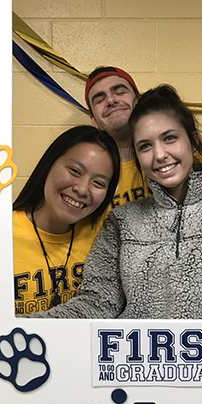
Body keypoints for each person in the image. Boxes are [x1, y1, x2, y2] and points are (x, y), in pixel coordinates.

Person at [31, 84, 202, 321]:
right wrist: (15, 327)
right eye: (145, 146)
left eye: (170, 138)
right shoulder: (121, 221)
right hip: (140, 375)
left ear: (193, 140)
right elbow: (95, 304)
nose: (159, 155)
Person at [13, 125, 120, 315]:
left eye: (98, 183)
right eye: (75, 171)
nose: (82, 189)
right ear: (49, 164)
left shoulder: (105, 239)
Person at [85, 66, 202, 208]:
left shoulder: (193, 161)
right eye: (100, 100)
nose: (111, 100)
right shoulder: (90, 175)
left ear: (138, 101)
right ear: (94, 120)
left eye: (120, 92)